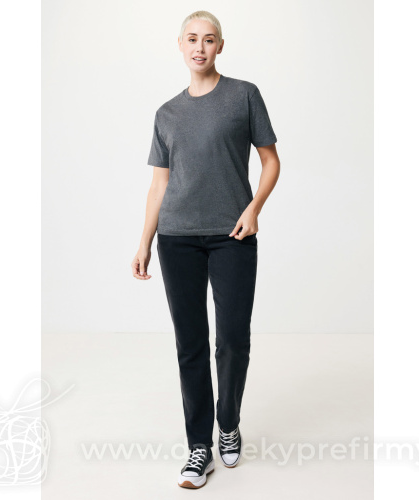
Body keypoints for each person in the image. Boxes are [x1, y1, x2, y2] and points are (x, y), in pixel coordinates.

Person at [131, 10, 280, 489]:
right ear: (180, 45)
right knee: (190, 344)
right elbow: (159, 185)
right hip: (177, 238)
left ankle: (228, 424)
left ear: (220, 46)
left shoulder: (243, 95)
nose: (200, 47)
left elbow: (271, 161)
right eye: (192, 39)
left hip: (233, 233)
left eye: (209, 39)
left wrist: (254, 208)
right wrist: (145, 240)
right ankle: (200, 447)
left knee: (232, 339)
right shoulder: (166, 114)